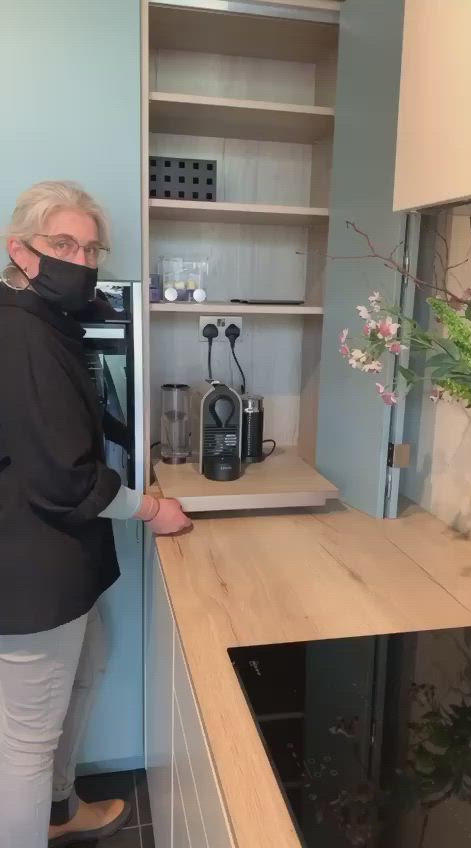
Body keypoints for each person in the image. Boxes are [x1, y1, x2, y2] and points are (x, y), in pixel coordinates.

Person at [0, 180, 192, 848]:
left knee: (89, 668)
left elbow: (77, 420)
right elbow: (64, 477)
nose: (79, 261)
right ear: (20, 251)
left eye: (90, 249)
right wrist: (151, 508)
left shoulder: (45, 327)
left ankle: (59, 810)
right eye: (62, 245)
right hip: (31, 578)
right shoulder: (20, 334)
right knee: (24, 744)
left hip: (59, 568)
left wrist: (136, 437)